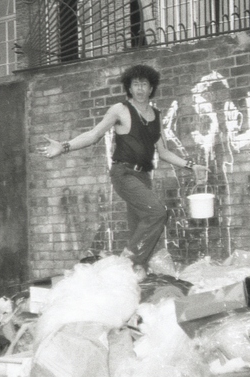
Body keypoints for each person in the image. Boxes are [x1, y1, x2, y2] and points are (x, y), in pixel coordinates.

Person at [39, 64, 208, 277]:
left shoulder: (156, 115)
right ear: (129, 87)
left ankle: (137, 274)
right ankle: (126, 264)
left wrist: (192, 166)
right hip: (124, 174)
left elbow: (164, 152)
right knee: (157, 212)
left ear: (151, 88)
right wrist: (63, 147)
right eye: (134, 84)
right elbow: (93, 135)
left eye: (143, 84)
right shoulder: (120, 110)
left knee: (140, 230)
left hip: (143, 177)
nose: (139, 89)